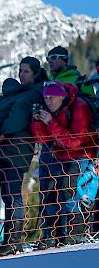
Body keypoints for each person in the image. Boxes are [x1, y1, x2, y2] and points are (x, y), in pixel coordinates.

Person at [0, 58, 44, 256]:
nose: (22, 75)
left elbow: (18, 115)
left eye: (26, 71)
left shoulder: (31, 94)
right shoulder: (20, 92)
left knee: (12, 194)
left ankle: (14, 239)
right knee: (7, 194)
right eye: (20, 71)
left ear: (36, 73)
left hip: (17, 148)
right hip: (6, 148)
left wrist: (1, 132)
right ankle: (10, 238)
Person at [31, 81, 96, 248]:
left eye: (52, 97)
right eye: (46, 98)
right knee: (50, 191)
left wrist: (50, 122)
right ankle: (52, 235)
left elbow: (75, 141)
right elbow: (42, 139)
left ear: (62, 96)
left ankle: (75, 233)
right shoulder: (49, 110)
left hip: (81, 152)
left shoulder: (79, 107)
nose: (49, 101)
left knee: (69, 187)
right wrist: (38, 121)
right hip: (58, 153)